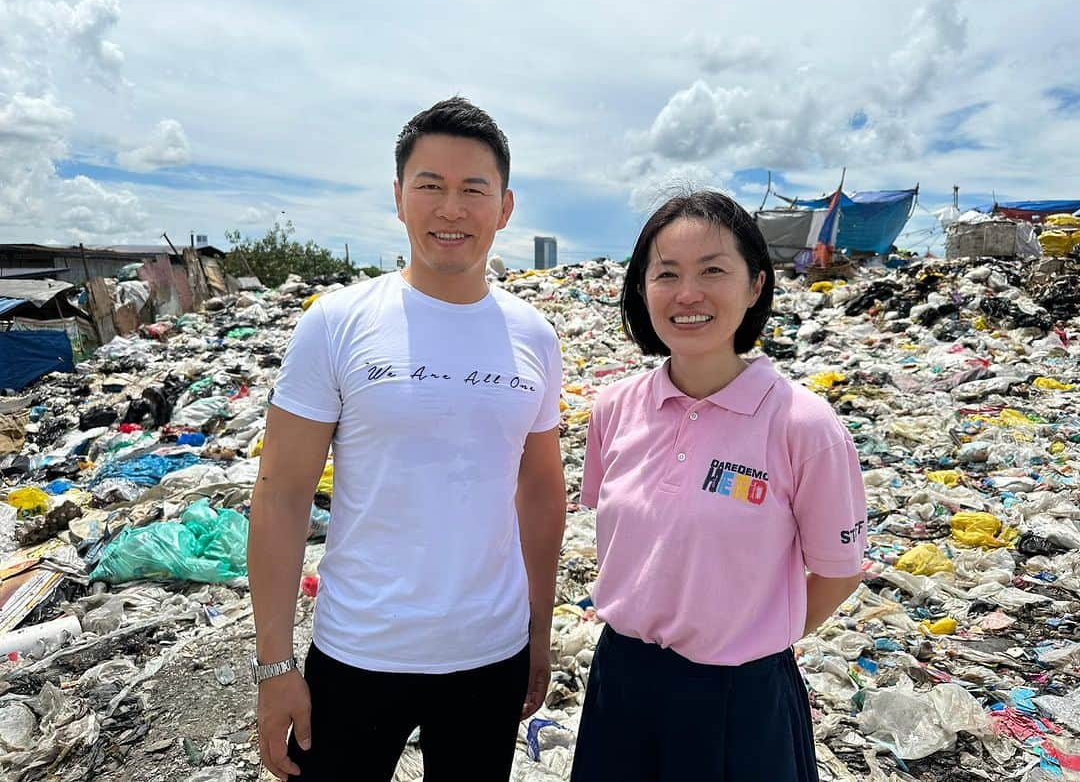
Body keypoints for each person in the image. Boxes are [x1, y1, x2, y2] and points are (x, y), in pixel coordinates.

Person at [248, 97, 567, 782]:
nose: (450, 209)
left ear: (504, 207)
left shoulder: (534, 335)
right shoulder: (335, 323)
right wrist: (275, 665)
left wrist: (538, 630)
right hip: (359, 652)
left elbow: (541, 490)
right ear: (398, 198)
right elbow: (281, 496)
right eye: (430, 186)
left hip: (492, 654)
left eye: (472, 190)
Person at [570, 191, 866, 782]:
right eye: (667, 274)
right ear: (641, 288)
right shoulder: (614, 409)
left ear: (755, 285)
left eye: (712, 271)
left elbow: (840, 568)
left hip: (739, 695)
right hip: (621, 681)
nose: (688, 294)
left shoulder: (802, 424)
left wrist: (753, 634)